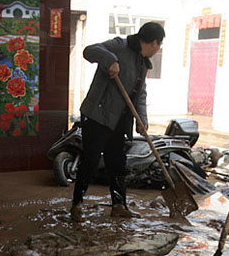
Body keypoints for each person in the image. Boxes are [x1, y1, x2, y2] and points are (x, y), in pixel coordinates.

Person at [70, 21, 165, 222]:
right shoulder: (119, 46)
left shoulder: (142, 63)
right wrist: (110, 60)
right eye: (159, 45)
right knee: (91, 161)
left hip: (120, 120)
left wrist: (142, 119)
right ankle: (77, 204)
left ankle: (119, 205)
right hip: (98, 115)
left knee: (117, 163)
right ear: (154, 42)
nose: (158, 50)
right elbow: (89, 51)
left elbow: (139, 94)